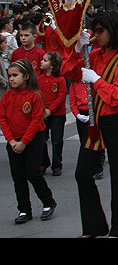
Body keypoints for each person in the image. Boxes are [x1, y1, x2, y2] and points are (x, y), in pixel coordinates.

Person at [63, 11, 118, 238]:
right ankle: (95, 226)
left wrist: (96, 80)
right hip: (94, 122)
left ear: (112, 31)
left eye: (99, 31)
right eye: (94, 30)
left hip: (114, 121)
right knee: (83, 173)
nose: (95, 35)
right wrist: (76, 51)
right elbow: (68, 72)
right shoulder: (92, 55)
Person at [0, 60, 57, 224]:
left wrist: (23, 142)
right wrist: (11, 140)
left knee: (32, 173)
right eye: (10, 75)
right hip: (13, 142)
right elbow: (3, 119)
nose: (11, 79)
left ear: (26, 76)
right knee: (18, 177)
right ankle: (24, 209)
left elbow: (35, 120)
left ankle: (48, 202)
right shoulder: (6, 97)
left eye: (15, 75)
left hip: (31, 140)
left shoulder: (35, 95)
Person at [37, 52, 67, 176]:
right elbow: (37, 95)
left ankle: (57, 165)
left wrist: (50, 110)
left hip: (57, 114)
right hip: (43, 114)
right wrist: (43, 110)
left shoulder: (60, 79)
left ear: (53, 65)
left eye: (45, 60)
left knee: (57, 140)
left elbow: (61, 97)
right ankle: (43, 163)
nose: (41, 62)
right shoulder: (39, 79)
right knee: (42, 139)